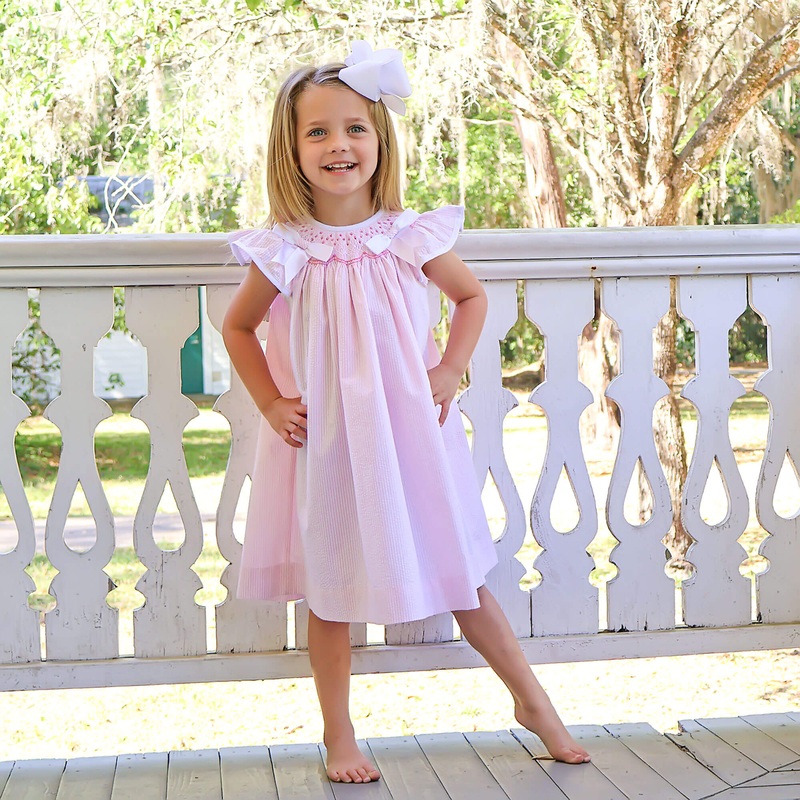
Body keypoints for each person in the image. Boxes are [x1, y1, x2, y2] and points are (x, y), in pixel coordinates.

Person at [222, 41, 591, 784]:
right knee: (329, 589)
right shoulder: (285, 250)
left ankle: (534, 704)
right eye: (318, 131)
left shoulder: (405, 235)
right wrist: (270, 401)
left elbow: (471, 298)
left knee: (459, 575)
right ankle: (339, 735)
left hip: (411, 437)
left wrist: (448, 369)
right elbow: (238, 327)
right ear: (291, 149)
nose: (339, 145)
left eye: (355, 128)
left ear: (380, 139)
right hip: (327, 444)